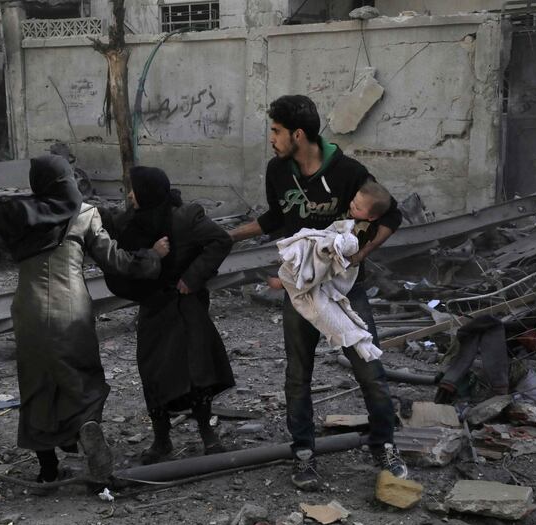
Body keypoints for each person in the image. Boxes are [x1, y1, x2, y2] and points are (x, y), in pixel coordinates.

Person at [0, 156, 169, 484]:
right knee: (82, 378)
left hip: (29, 308)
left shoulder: (18, 214)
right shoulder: (85, 214)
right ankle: (85, 428)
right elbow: (116, 260)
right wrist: (151, 258)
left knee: (36, 385)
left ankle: (47, 470)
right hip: (71, 308)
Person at [228, 95, 408, 490]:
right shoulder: (277, 171)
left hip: (346, 293)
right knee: (298, 376)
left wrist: (360, 254)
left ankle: (385, 444)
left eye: (275, 131)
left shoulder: (348, 171)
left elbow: (391, 214)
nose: (271, 139)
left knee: (370, 370)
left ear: (297, 134)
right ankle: (304, 454)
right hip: (302, 294)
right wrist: (231, 236)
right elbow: (276, 218)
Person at [102, 166, 235, 464]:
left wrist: (192, 277)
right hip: (153, 307)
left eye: (135, 189)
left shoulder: (185, 217)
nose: (130, 194)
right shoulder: (131, 222)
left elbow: (220, 241)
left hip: (185, 306)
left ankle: (207, 434)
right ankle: (161, 439)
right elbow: (118, 250)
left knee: (197, 370)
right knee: (153, 371)